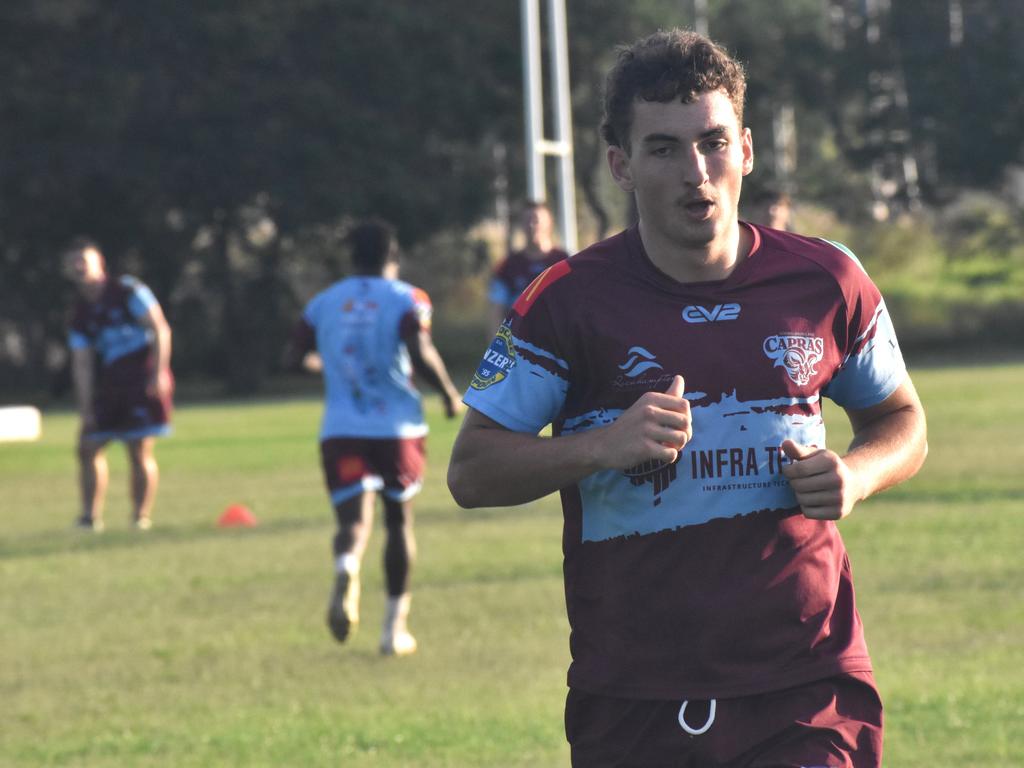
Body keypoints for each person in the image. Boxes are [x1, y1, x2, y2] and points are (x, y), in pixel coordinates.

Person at [448, 29, 927, 767]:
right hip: (634, 692)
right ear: (622, 166)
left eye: (713, 142)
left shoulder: (828, 280)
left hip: (805, 682)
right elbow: (471, 470)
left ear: (747, 150)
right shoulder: (565, 303)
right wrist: (600, 446)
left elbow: (902, 422)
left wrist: (858, 474)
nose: (695, 172)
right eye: (664, 148)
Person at [287, 219, 463, 656]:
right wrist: (448, 393)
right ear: (394, 256)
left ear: (352, 257)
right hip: (397, 428)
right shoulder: (407, 298)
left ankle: (347, 567)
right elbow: (420, 351)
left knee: (352, 522)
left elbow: (293, 358)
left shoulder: (323, 303)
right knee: (399, 522)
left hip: (342, 429)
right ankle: (393, 630)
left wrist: (326, 365)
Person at [64, 237, 174, 532]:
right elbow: (82, 363)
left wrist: (159, 373)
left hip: (141, 379)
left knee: (139, 449)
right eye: (73, 262)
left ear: (100, 263)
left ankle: (140, 517)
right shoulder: (79, 312)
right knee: (87, 446)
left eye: (83, 260)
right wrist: (85, 407)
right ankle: (89, 517)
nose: (78, 266)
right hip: (110, 384)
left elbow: (160, 329)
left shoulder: (128, 291)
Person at [487, 201, 569, 335]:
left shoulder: (565, 261)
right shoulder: (508, 266)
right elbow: (495, 310)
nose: (532, 226)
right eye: (527, 220)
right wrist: (495, 345)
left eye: (536, 220)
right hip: (520, 344)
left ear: (549, 223)